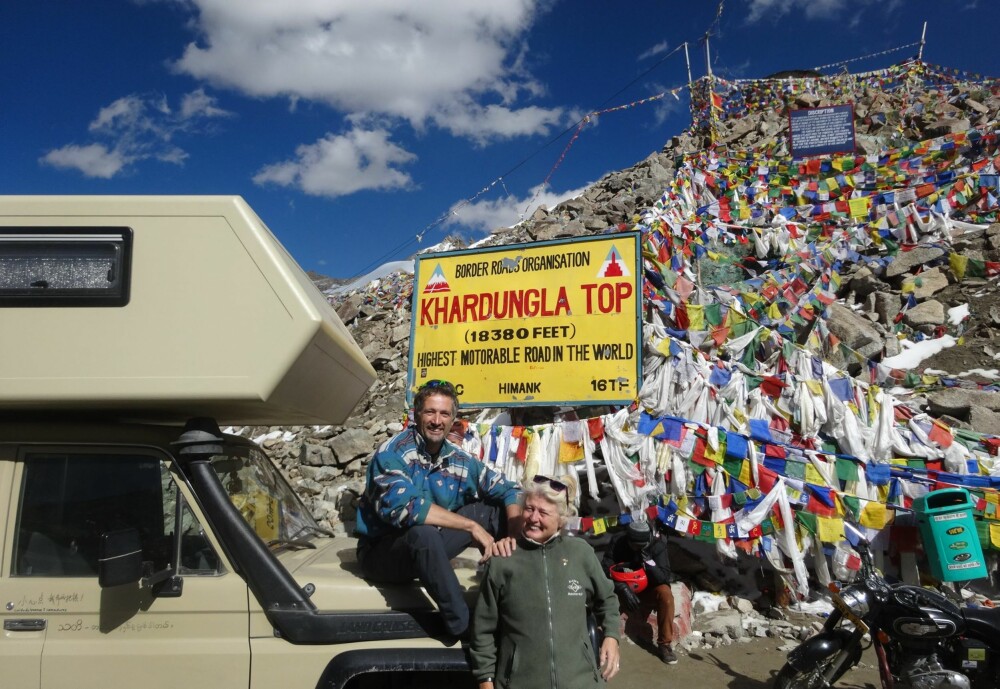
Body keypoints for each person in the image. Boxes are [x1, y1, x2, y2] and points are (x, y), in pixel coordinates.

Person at [355, 380, 521, 637]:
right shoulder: (392, 453)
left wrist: (513, 536)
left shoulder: (458, 459)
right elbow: (406, 508)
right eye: (430, 412)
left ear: (453, 419)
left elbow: (508, 489)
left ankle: (513, 596)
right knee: (424, 533)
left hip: (430, 546)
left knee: (493, 510)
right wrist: (471, 527)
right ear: (416, 414)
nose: (436, 420)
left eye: (444, 414)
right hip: (384, 551)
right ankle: (465, 629)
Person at [470, 475, 621, 689]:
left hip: (581, 682)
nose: (533, 518)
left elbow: (608, 599)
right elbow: (483, 630)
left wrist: (612, 637)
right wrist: (485, 681)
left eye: (543, 512)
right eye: (529, 509)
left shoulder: (581, 554)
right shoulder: (503, 560)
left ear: (561, 518)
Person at [602, 518, 678, 665]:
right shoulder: (618, 542)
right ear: (628, 539)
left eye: (640, 546)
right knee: (600, 587)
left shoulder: (657, 546)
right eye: (633, 545)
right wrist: (621, 587)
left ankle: (665, 645)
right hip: (623, 586)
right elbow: (605, 568)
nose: (636, 549)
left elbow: (663, 577)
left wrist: (650, 562)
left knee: (666, 595)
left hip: (647, 586)